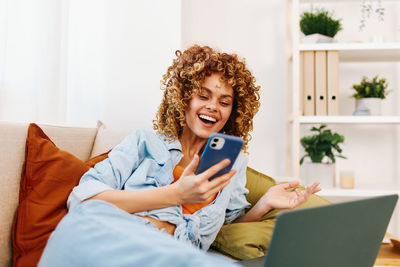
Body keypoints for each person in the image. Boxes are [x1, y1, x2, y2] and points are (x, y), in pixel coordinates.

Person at [39, 45, 320, 266]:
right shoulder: (144, 143)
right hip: (109, 238)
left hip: (171, 256)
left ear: (233, 112)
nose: (213, 107)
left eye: (224, 102)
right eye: (203, 96)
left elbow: (227, 228)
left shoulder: (233, 163)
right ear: (183, 97)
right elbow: (84, 201)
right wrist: (175, 195)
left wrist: (265, 203)